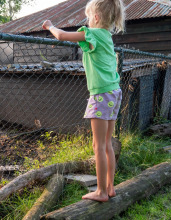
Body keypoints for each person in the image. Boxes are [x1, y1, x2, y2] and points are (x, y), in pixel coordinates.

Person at [42, 0, 125, 202]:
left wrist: (50, 26)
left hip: (101, 94)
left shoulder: (93, 33)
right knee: (107, 143)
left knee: (99, 146)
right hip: (114, 91)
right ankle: (110, 187)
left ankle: (101, 192)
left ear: (96, 17)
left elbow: (61, 35)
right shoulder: (106, 35)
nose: (88, 21)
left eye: (89, 17)